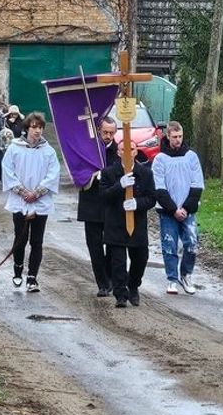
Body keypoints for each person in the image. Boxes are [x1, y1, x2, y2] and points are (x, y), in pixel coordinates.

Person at [2, 112, 60, 292]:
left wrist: (37, 192)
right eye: (34, 127)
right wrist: (22, 191)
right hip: (20, 200)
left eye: (40, 127)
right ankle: (18, 270)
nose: (37, 131)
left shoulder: (48, 151)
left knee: (37, 240)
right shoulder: (15, 148)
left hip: (39, 200)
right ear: (27, 128)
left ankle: (32, 277)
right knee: (20, 238)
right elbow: (8, 170)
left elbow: (53, 174)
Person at [153, 121, 204, 295]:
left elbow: (197, 185)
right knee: (169, 244)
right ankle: (172, 279)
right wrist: (173, 209)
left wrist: (186, 208)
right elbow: (159, 188)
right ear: (168, 136)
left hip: (187, 209)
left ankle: (186, 274)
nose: (178, 140)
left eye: (180, 137)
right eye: (174, 137)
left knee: (191, 242)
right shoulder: (160, 159)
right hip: (168, 211)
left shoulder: (191, 157)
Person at [100, 153, 156, 308]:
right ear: (118, 152)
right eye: (123, 149)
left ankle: (133, 285)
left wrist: (137, 203)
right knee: (118, 262)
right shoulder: (108, 172)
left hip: (137, 224)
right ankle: (120, 294)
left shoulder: (145, 173)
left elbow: (152, 198)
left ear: (135, 151)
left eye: (131, 148)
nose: (127, 152)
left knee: (141, 258)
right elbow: (104, 196)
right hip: (116, 224)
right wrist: (119, 185)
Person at [78, 116, 120, 297]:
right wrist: (92, 176)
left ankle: (110, 277)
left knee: (112, 244)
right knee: (94, 246)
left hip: (111, 206)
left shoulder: (119, 152)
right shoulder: (89, 149)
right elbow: (78, 170)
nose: (108, 136)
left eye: (111, 133)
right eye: (105, 132)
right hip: (91, 204)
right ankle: (102, 282)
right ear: (98, 131)